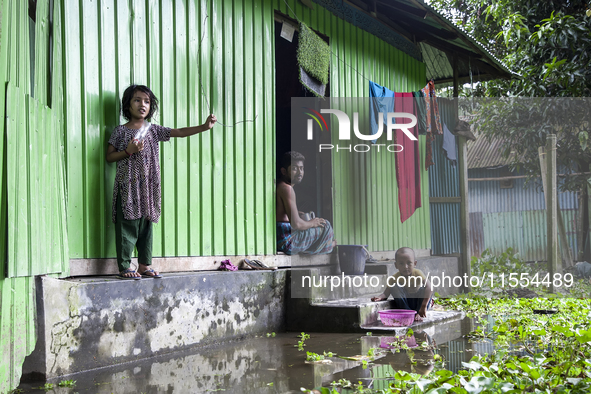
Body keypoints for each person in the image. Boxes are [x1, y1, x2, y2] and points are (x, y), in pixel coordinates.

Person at [106, 84, 217, 279]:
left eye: (147, 101)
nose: (142, 104)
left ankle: (144, 265)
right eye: (137, 100)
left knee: (146, 227)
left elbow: (180, 132)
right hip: (127, 188)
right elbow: (109, 157)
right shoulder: (120, 132)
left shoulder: (153, 130)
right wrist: (127, 152)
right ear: (127, 105)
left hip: (148, 188)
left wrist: (204, 126)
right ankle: (125, 266)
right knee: (127, 227)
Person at [276, 151, 336, 255]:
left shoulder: (280, 185)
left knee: (318, 225)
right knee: (326, 226)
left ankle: (324, 245)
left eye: (301, 168)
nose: (300, 172)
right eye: (295, 168)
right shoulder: (287, 189)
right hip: (287, 243)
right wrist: (313, 223)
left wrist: (297, 213)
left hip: (280, 239)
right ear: (284, 171)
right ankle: (327, 246)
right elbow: (296, 224)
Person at [371, 247, 433, 321]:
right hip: (406, 303)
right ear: (396, 265)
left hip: (418, 303)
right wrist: (380, 297)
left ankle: (418, 314)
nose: (405, 267)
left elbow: (430, 287)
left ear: (415, 263)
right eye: (401, 264)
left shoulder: (418, 273)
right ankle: (408, 313)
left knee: (425, 289)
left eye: (409, 263)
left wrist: (423, 306)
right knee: (394, 287)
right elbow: (386, 293)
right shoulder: (394, 278)